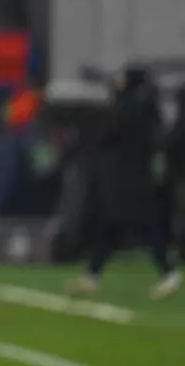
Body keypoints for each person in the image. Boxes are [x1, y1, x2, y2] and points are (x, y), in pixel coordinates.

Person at [65, 68, 179, 300]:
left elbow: (110, 130)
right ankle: (92, 276)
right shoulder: (142, 106)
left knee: (144, 228)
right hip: (126, 180)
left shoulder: (135, 108)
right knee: (110, 228)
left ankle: (169, 273)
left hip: (131, 181)